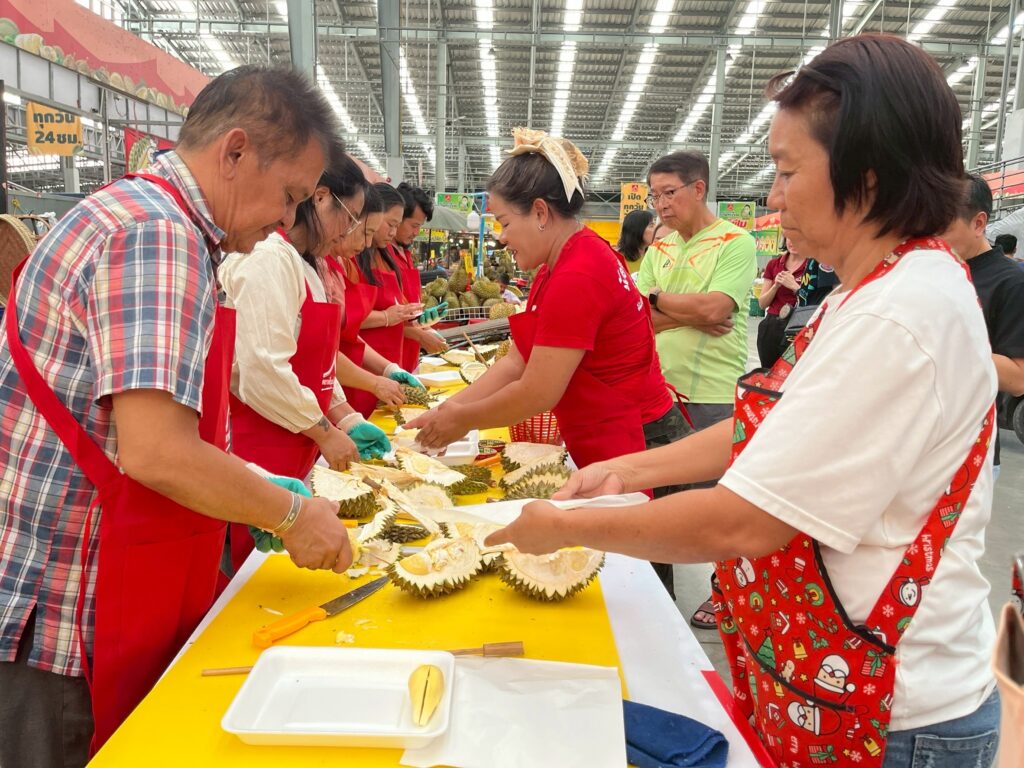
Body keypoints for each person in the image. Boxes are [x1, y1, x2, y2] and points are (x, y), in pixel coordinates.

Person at [487, 35, 1000, 768]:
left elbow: (742, 522)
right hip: (842, 685)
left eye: (787, 170)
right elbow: (770, 423)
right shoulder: (868, 291)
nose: (774, 196)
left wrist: (569, 525)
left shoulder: (900, 313)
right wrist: (629, 472)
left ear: (869, 172)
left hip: (897, 716)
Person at [0, 66, 355, 766]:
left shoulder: (134, 212)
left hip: (67, 586)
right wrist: (286, 512)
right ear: (234, 151)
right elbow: (157, 452)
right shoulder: (158, 237)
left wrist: (261, 485)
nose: (286, 222)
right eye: (286, 196)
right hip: (62, 615)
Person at [408, 128, 689, 596]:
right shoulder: (558, 265)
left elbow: (539, 390)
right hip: (609, 437)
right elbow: (518, 359)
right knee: (615, 566)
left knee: (636, 584)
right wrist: (448, 411)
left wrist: (463, 420)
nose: (500, 237)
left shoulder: (580, 270)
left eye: (503, 222)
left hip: (638, 439)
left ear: (540, 212)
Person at [219, 151, 393, 571]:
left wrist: (345, 418)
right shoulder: (267, 259)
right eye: (350, 219)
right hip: (260, 447)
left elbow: (316, 367)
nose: (349, 235)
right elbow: (262, 370)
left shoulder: (306, 268)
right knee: (255, 580)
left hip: (295, 444)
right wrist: (323, 431)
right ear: (319, 199)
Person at [636, 150, 757, 628]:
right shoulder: (659, 248)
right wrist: (681, 310)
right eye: (655, 195)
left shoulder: (735, 242)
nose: (661, 204)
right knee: (659, 502)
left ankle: (723, 593)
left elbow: (716, 309)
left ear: (699, 189)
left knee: (716, 504)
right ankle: (656, 596)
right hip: (657, 392)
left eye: (670, 192)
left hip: (711, 393)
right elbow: (638, 316)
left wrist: (659, 300)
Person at [942, 174, 1024, 484]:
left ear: (978, 223)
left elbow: (1018, 378)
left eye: (943, 226)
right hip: (918, 443)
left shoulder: (1010, 283)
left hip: (969, 453)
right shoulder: (934, 270)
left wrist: (943, 345)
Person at [327, 185, 425, 417]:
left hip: (364, 371)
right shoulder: (281, 260)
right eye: (365, 232)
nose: (365, 243)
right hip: (349, 381)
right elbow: (321, 351)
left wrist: (387, 369)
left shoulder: (381, 257)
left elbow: (344, 339)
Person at [392, 183, 447, 367]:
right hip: (387, 358)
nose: (416, 232)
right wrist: (419, 334)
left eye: (420, 226)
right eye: (414, 225)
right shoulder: (380, 256)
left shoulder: (406, 254)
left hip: (408, 356)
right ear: (397, 216)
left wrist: (424, 325)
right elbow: (383, 318)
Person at [756, 239, 807, 366]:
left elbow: (815, 302)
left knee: (792, 372)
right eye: (790, 237)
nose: (793, 242)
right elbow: (762, 304)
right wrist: (775, 286)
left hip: (798, 325)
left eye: (797, 236)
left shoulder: (812, 265)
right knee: (768, 370)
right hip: (772, 325)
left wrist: (795, 287)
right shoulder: (774, 264)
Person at [615, 208, 656, 273]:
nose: (656, 229)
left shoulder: (654, 256)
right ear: (637, 230)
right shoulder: (617, 260)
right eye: (651, 226)